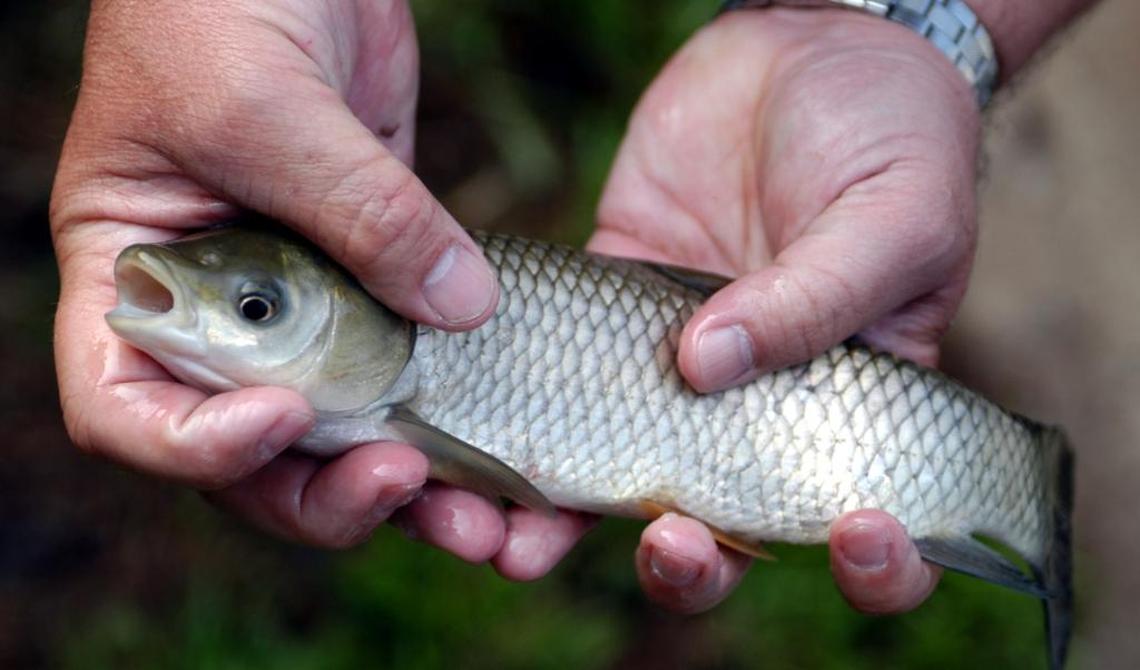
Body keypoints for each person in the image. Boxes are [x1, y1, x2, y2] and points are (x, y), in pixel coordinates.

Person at [51, 0, 1095, 614]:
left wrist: (894, 24)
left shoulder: (417, 347)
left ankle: (1011, 487)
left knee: (844, 504)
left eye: (251, 308)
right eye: (255, 308)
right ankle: (1011, 487)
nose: (224, 318)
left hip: (767, 393)